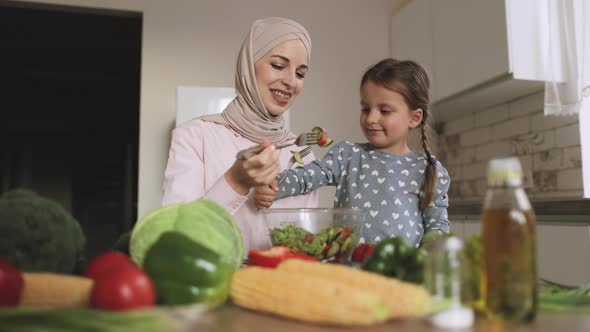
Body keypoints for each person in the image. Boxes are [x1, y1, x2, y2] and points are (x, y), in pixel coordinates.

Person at [161, 17, 319, 252]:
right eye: (278, 65)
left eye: (301, 73)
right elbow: (176, 239)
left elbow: (305, 247)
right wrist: (235, 182)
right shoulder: (194, 137)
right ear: (248, 64)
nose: (290, 82)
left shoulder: (303, 155)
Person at [255, 58, 450, 247]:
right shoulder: (348, 154)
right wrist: (275, 186)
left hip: (399, 276)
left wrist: (425, 259)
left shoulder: (428, 169)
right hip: (346, 272)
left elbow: (437, 226)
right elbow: (308, 176)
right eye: (366, 109)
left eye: (385, 111)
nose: (371, 118)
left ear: (414, 118)